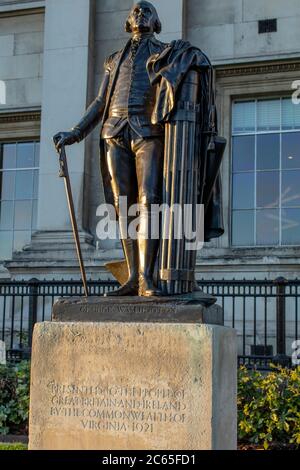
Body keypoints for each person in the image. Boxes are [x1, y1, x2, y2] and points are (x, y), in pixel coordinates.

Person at [53, 2, 168, 297]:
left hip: (148, 130)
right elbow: (100, 101)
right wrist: (76, 132)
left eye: (147, 10)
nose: (140, 13)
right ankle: (132, 278)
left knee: (149, 199)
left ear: (157, 22)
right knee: (123, 205)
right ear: (128, 22)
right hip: (114, 130)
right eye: (135, 11)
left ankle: (147, 278)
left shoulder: (166, 52)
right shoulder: (113, 59)